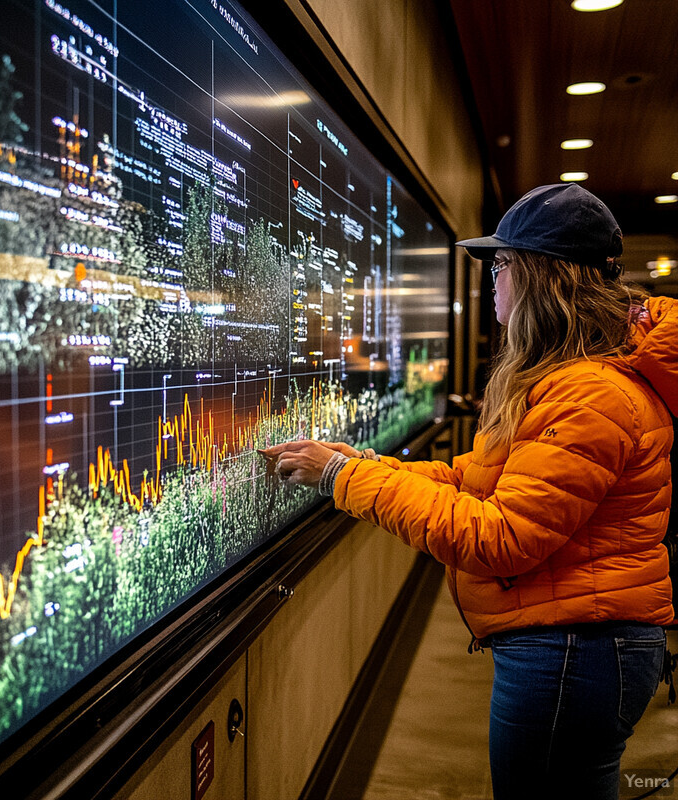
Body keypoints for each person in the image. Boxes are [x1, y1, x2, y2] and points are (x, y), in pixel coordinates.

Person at [260, 183, 677, 800]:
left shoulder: (591, 394)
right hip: (575, 644)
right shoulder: (576, 382)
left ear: (545, 277)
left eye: (503, 264)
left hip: (573, 654)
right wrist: (367, 464)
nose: (493, 282)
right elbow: (478, 484)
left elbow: (499, 538)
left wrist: (341, 478)